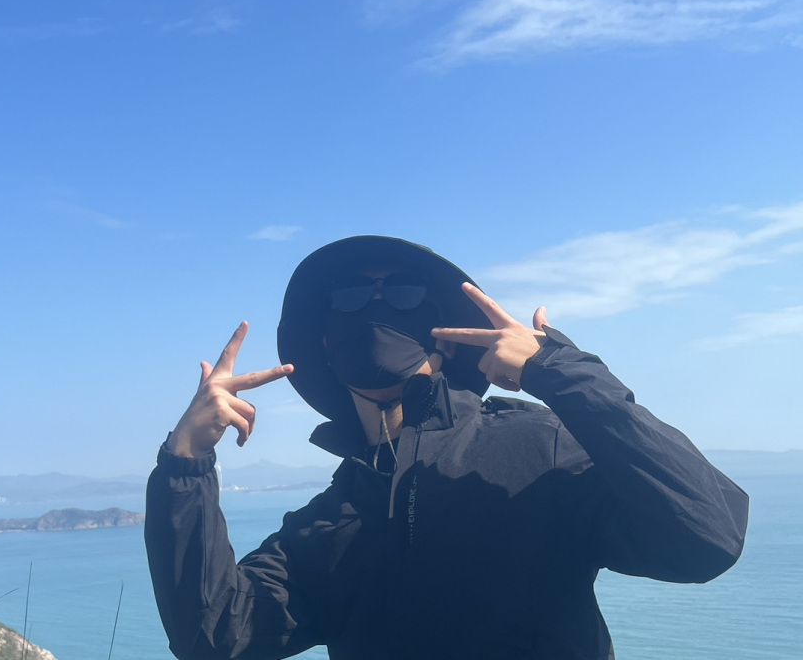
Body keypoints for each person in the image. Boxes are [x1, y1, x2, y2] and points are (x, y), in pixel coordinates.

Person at [145, 236, 749, 660]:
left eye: (405, 294)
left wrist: (562, 371)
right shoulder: (328, 522)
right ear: (326, 344)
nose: (376, 306)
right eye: (350, 297)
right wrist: (185, 462)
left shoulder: (540, 448)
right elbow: (214, 635)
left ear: (450, 338)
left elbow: (706, 538)